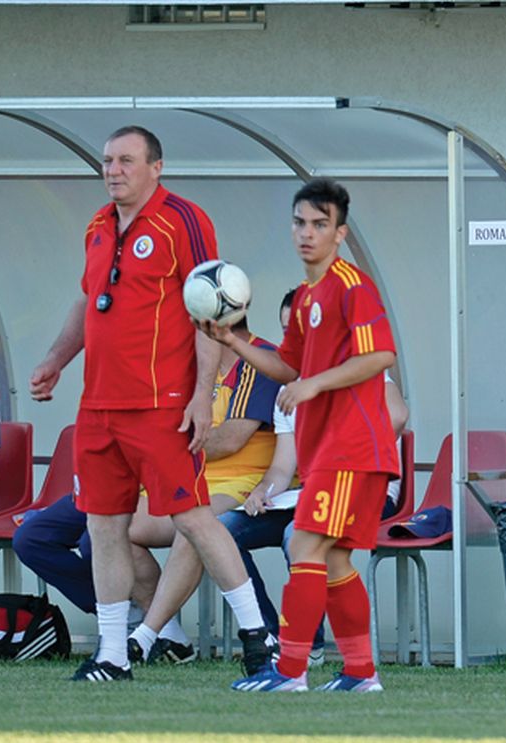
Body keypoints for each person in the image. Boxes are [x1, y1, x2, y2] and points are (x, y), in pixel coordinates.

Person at [28, 125, 270, 682]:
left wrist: (203, 399)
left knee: (195, 519)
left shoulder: (183, 219)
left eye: (126, 161)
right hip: (98, 409)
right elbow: (90, 301)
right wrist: (55, 360)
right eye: (108, 160)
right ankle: (112, 653)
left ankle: (258, 640)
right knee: (103, 526)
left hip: (161, 405)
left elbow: (211, 313)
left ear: (155, 168)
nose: (113, 170)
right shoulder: (96, 225)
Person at [201, 177, 399, 693]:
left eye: (319, 224)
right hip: (331, 450)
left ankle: (289, 671)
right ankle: (361, 672)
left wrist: (315, 384)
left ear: (340, 233)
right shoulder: (310, 293)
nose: (307, 233)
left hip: (354, 447)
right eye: (300, 222)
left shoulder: (351, 286)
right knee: (332, 559)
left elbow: (379, 356)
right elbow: (286, 366)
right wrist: (231, 340)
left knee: (307, 546)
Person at [217, 289, 408, 665]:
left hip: (365, 491)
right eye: (289, 332)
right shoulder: (291, 387)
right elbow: (282, 467)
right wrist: (262, 492)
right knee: (222, 529)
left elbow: (397, 417)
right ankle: (270, 633)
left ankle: (308, 646)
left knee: (298, 533)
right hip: (308, 496)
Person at [123, 311, 284, 664]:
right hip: (188, 476)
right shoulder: (188, 365)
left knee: (194, 524)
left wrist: (165, 448)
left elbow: (231, 439)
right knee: (116, 527)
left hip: (243, 481)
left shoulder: (260, 359)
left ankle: (144, 635)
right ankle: (171, 638)